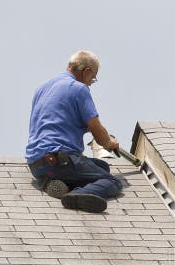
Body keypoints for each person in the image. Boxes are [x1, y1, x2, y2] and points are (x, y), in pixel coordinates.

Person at [25, 50, 123, 213]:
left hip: (36, 164)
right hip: (60, 161)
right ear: (86, 71)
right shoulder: (79, 89)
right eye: (93, 78)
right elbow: (98, 133)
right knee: (111, 181)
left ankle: (50, 182)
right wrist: (110, 142)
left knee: (102, 166)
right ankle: (76, 195)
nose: (91, 83)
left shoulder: (42, 88)